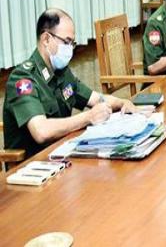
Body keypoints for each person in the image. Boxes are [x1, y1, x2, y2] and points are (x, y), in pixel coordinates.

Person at [3, 9, 136, 158]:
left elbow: (96, 98)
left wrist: (122, 102)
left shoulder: (62, 72)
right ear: (46, 39)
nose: (70, 49)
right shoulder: (23, 79)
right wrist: (88, 117)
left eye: (72, 43)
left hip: (62, 153)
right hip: (33, 164)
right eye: (66, 42)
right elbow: (41, 132)